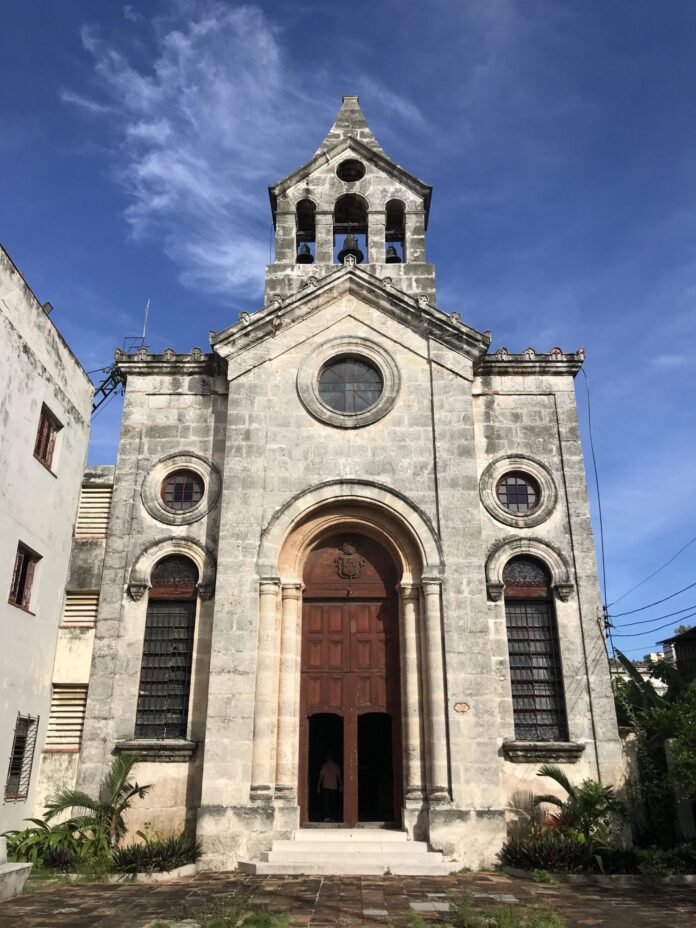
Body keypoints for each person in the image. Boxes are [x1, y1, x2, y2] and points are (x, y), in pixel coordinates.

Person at [317, 752, 342, 822]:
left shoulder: (324, 766)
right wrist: (341, 786)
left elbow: (321, 777)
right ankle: (332, 817)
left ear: (327, 758)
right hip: (334, 787)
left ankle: (326, 817)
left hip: (326, 786)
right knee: (333, 803)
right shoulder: (336, 766)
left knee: (326, 803)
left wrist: (318, 786)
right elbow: (339, 777)